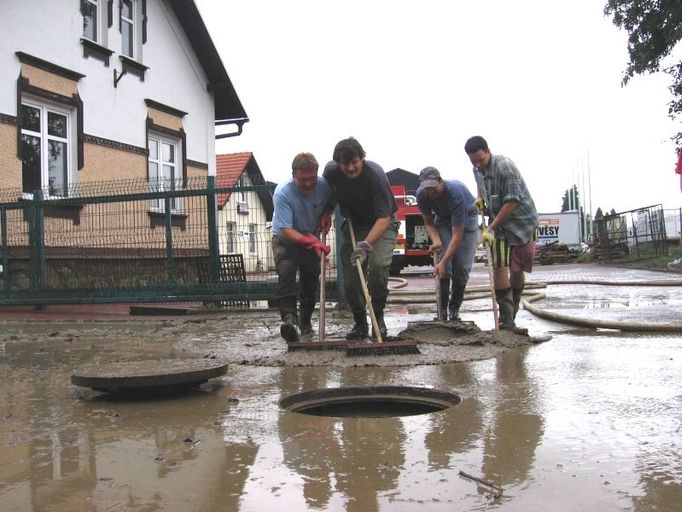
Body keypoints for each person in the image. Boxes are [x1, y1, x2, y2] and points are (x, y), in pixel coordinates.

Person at [323, 137, 398, 340]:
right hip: (355, 225)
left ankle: (378, 318)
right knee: (351, 278)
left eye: (354, 162)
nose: (350, 168)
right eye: (345, 163)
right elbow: (328, 192)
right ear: (338, 162)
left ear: (362, 158)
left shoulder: (375, 175)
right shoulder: (331, 171)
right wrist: (327, 211)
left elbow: (384, 217)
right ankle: (360, 323)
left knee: (377, 266)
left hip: (382, 225)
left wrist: (366, 245)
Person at [464, 136, 538, 330]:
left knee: (517, 268)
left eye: (480, 159)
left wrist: (490, 228)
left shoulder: (506, 167)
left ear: (488, 151)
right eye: (473, 161)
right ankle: (506, 319)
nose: (478, 164)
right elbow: (481, 187)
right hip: (498, 225)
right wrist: (480, 198)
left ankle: (512, 311)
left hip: (523, 223)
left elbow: (512, 202)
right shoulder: (477, 169)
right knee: (499, 266)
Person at [272, 152, 335, 343]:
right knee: (286, 271)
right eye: (303, 180)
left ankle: (305, 322)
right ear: (294, 175)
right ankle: (289, 320)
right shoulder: (283, 192)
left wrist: (327, 212)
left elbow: (332, 201)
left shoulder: (325, 186)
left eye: (312, 179)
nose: (308, 184)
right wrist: (314, 242)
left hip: (311, 236)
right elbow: (287, 230)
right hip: (286, 239)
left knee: (310, 279)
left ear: (317, 174)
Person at [416, 166, 479, 321]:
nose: (431, 192)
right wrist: (436, 240)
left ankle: (454, 310)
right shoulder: (421, 195)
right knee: (445, 270)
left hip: (467, 221)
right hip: (443, 220)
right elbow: (429, 223)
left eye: (433, 187)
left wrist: (442, 262)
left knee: (461, 268)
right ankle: (442, 312)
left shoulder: (455, 193)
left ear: (440, 181)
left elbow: (457, 236)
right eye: (427, 189)